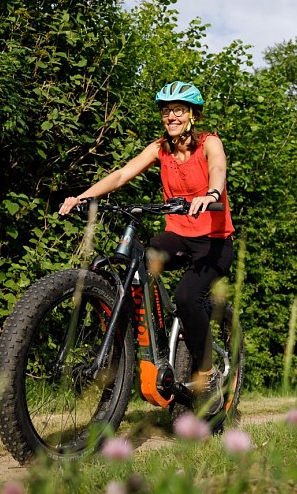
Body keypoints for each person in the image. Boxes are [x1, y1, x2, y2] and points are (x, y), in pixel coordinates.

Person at [59, 81, 235, 414]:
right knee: (132, 261)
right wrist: (83, 196)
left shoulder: (209, 143)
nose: (172, 116)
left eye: (179, 110)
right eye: (167, 110)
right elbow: (122, 174)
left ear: (192, 116)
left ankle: (208, 373)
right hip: (179, 236)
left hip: (214, 241)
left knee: (187, 296)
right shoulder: (160, 149)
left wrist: (212, 195)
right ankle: (136, 344)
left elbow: (218, 168)